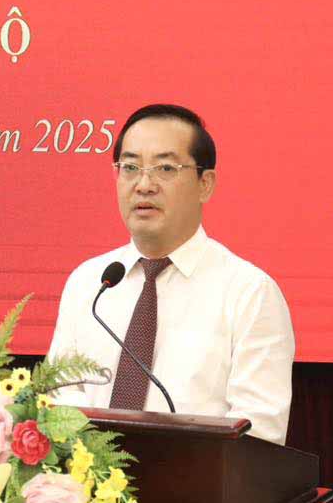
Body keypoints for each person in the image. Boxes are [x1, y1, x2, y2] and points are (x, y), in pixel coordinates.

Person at [47, 104, 295, 445]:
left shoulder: (249, 293)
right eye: (130, 167)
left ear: (205, 184)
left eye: (165, 168)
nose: (144, 185)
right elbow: (57, 403)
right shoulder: (89, 283)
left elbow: (258, 437)